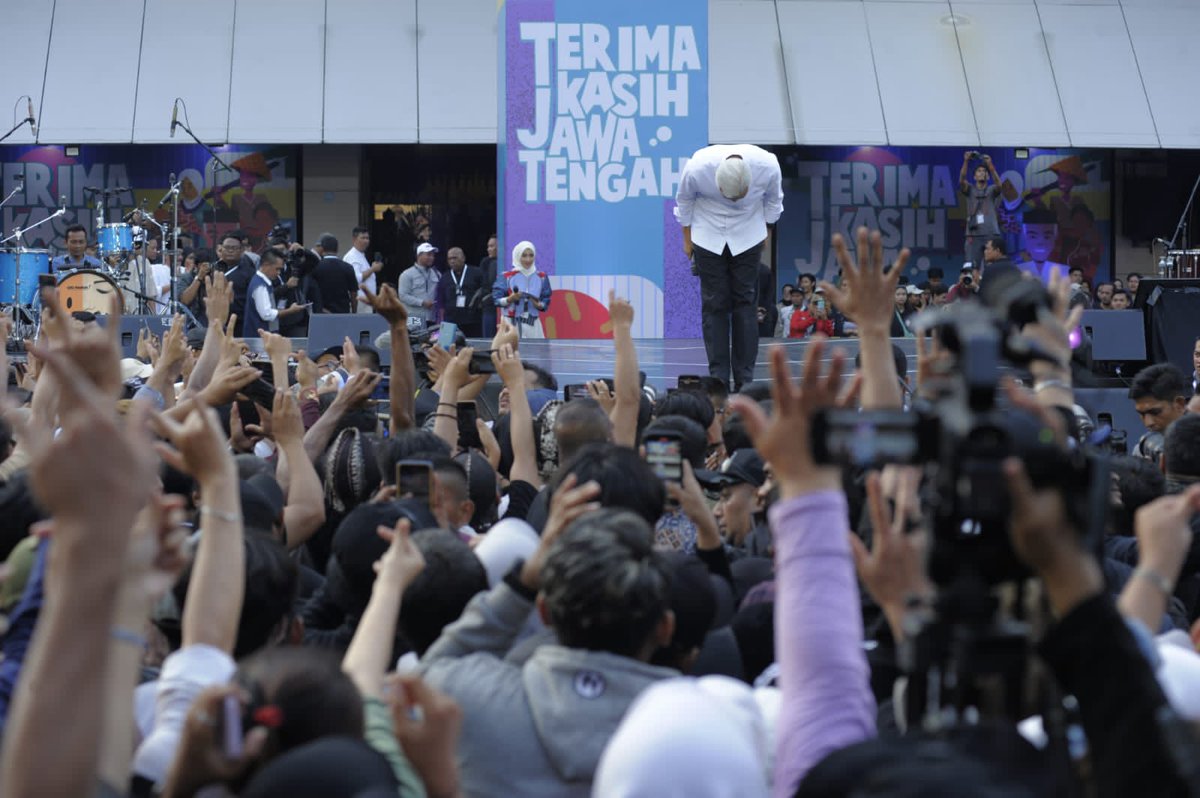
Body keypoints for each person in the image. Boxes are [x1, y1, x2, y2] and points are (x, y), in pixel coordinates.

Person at [419, 509, 676, 796]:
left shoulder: (473, 697)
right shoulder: (696, 731)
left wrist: (520, 587)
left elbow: (431, 670)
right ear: (665, 628)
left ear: (543, 612)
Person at [675, 144, 784, 392]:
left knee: (745, 303)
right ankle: (719, 377)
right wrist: (686, 238)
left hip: (748, 231)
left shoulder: (768, 165)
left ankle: (745, 377)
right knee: (714, 303)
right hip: (707, 231)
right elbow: (684, 200)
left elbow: (774, 201)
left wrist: (766, 229)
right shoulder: (697, 166)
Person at [493, 241, 552, 339]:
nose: (528, 259)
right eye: (524, 256)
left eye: (531, 255)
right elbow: (496, 300)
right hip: (510, 324)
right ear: (517, 256)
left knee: (535, 352)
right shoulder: (505, 277)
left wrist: (539, 305)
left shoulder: (541, 277)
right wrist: (510, 299)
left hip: (533, 325)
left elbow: (546, 298)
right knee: (511, 352)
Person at [242, 248, 305, 337]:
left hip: (261, 337)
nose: (279, 273)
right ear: (266, 265)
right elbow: (267, 315)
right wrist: (290, 310)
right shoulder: (261, 286)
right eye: (277, 269)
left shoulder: (260, 282)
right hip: (259, 338)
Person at [959, 151, 1003, 268]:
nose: (982, 173)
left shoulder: (991, 190)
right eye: (979, 171)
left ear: (988, 176)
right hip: (973, 234)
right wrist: (966, 161)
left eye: (984, 171)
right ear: (974, 176)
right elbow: (962, 180)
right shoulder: (970, 190)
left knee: (993, 266)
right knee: (972, 266)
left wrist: (990, 166)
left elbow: (999, 185)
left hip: (991, 233)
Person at [437, 247, 485, 338]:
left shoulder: (476, 273)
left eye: (455, 258)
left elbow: (484, 291)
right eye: (449, 259)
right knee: (447, 346)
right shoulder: (444, 277)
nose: (452, 261)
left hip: (472, 320)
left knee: (473, 346)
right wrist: (441, 319)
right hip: (450, 320)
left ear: (463, 258)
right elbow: (440, 299)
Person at [1016, 205, 1068, 283]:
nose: (1040, 243)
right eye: (1033, 236)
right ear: (1024, 236)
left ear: (1056, 236)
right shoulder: (1017, 271)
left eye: (1047, 237)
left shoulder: (1065, 272)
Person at [311, 233, 359, 314]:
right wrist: (354, 312)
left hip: (323, 313)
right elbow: (353, 293)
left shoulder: (316, 268)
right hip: (343, 313)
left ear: (322, 249)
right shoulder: (348, 267)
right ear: (337, 249)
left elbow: (312, 292)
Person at [398, 242, 441, 328]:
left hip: (432, 318)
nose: (431, 258)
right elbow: (403, 296)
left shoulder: (437, 274)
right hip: (414, 318)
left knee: (431, 340)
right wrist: (422, 303)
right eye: (428, 255)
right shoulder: (407, 274)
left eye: (433, 255)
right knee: (416, 339)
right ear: (419, 256)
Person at [342, 226, 383, 313]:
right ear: (354, 239)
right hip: (360, 301)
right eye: (363, 238)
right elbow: (356, 279)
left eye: (367, 238)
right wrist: (372, 269)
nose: (366, 241)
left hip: (367, 301)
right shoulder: (352, 256)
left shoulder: (360, 255)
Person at [217, 233, 257, 319]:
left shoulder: (250, 272)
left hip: (240, 320)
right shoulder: (213, 268)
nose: (230, 251)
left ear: (242, 250)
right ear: (221, 249)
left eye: (234, 248)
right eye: (227, 247)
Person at [479, 234, 500, 337]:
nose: (489, 249)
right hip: (489, 307)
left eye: (492, 246)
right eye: (488, 246)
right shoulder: (486, 262)